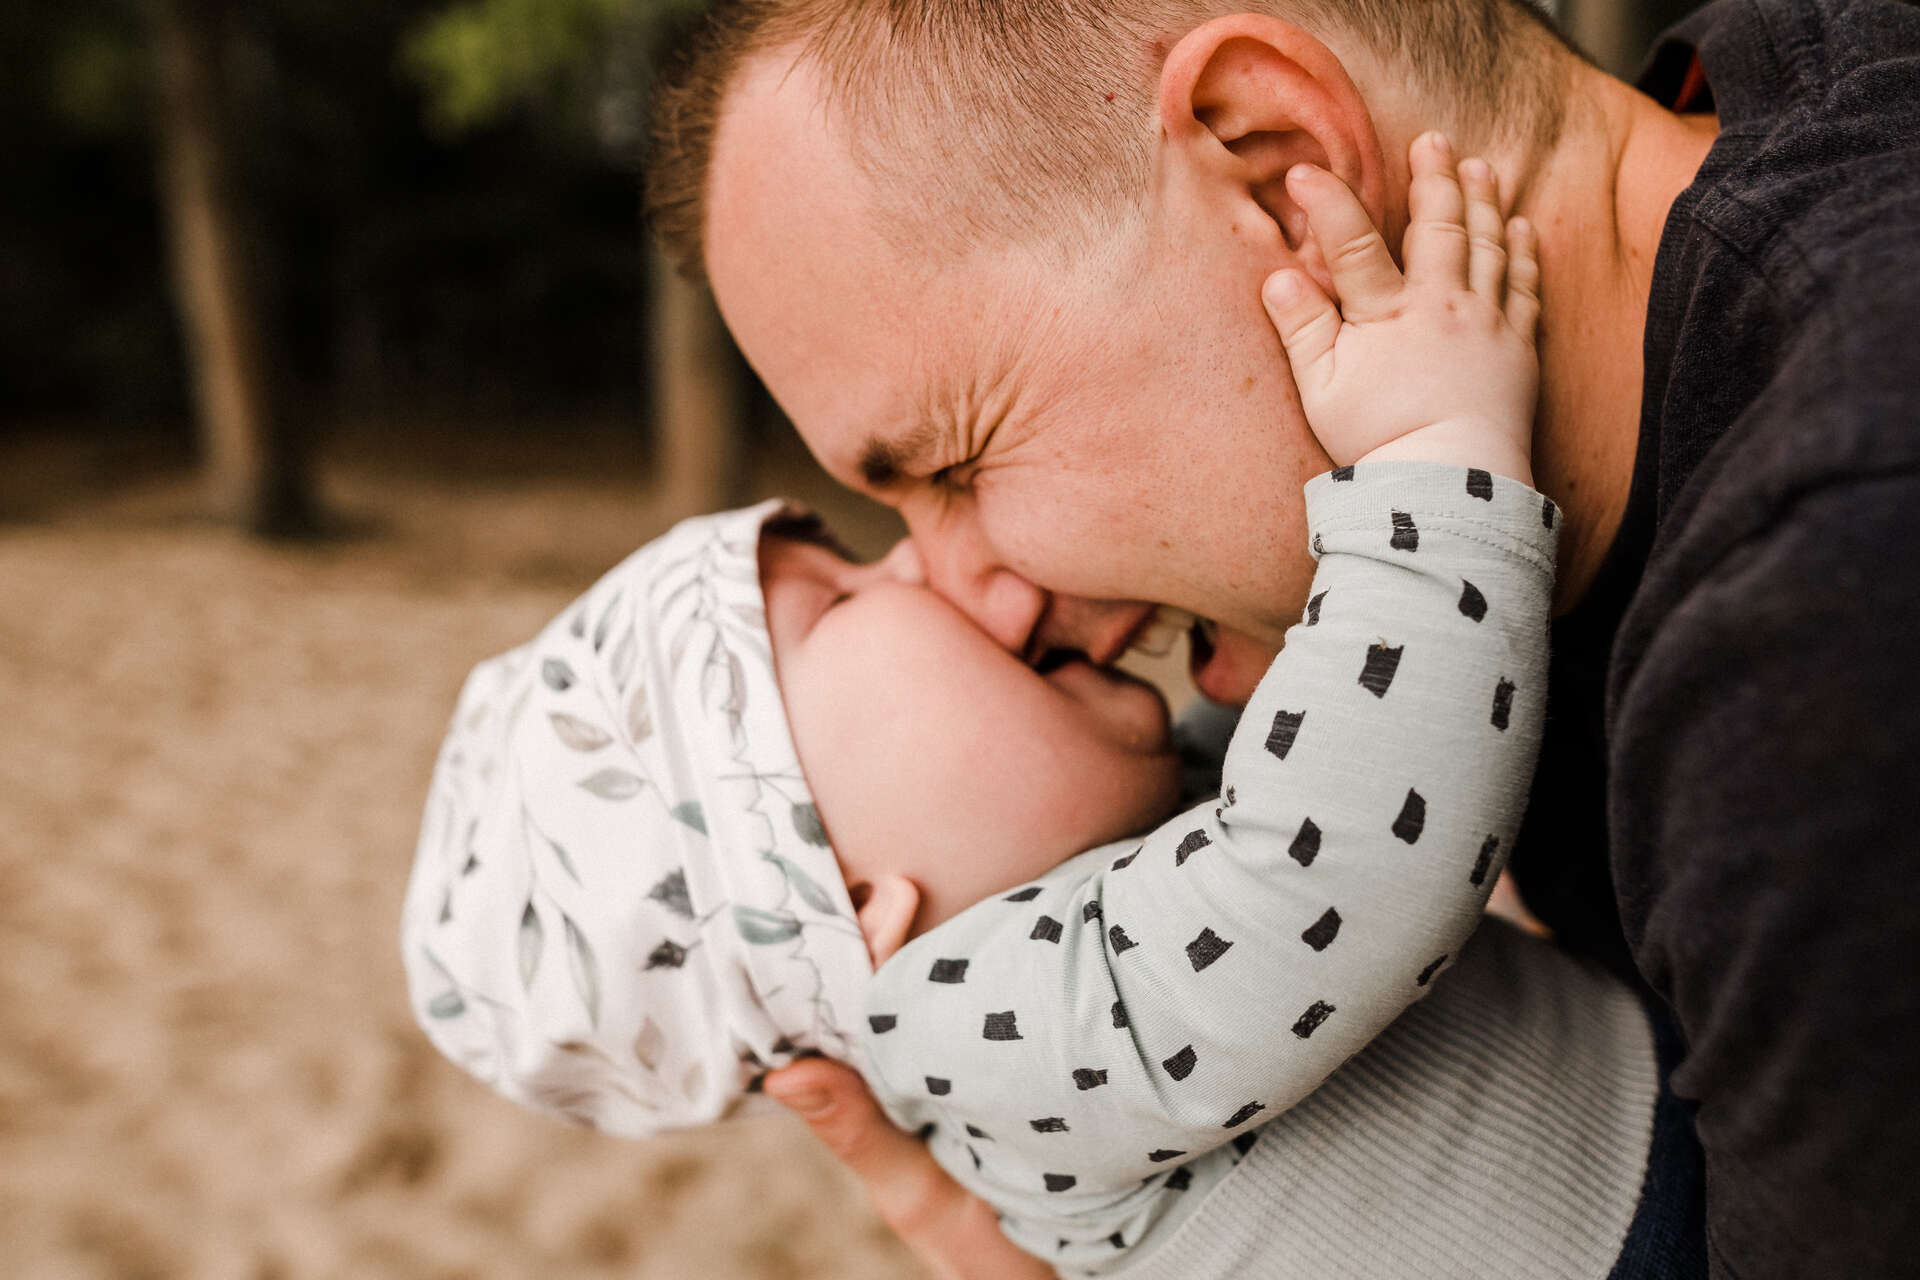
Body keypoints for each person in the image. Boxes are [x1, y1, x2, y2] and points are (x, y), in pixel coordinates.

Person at [645, 0, 1920, 1276]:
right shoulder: (1781, 111)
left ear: (1275, 165)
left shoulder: (1828, 629)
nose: (975, 598)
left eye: (959, 463)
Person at [402, 162, 1700, 1276]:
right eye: (844, 601)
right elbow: (1339, 861)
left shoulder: (1081, 903)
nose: (920, 571)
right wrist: (1436, 444)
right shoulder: (972, 1031)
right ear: (853, 907)